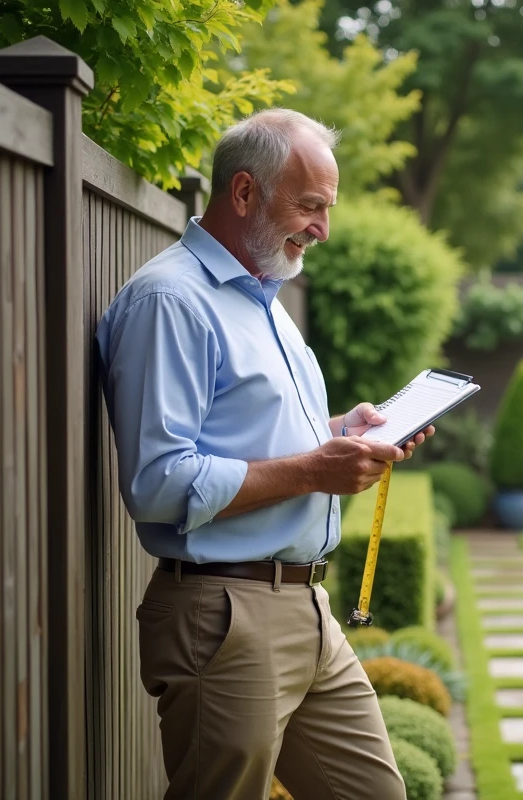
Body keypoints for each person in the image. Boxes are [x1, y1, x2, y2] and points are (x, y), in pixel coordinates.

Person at [94, 108, 432, 800]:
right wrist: (315, 471)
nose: (323, 228)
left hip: (307, 609)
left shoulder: (263, 297)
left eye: (327, 208)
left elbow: (253, 435)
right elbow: (157, 482)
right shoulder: (170, 301)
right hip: (225, 616)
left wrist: (344, 432)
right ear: (245, 192)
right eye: (309, 206)